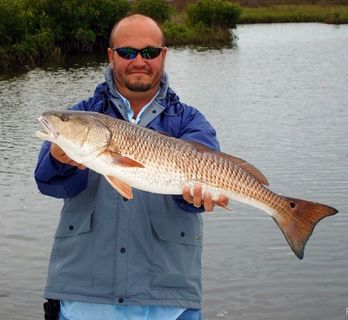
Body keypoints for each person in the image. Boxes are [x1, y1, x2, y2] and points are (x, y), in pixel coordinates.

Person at [34, 14, 228, 320]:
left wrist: (194, 199)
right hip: (84, 298)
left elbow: (192, 202)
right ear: (111, 56)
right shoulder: (82, 115)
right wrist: (59, 161)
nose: (139, 60)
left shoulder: (191, 122)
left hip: (168, 302)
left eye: (149, 52)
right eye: (127, 52)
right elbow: (50, 184)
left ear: (164, 56)